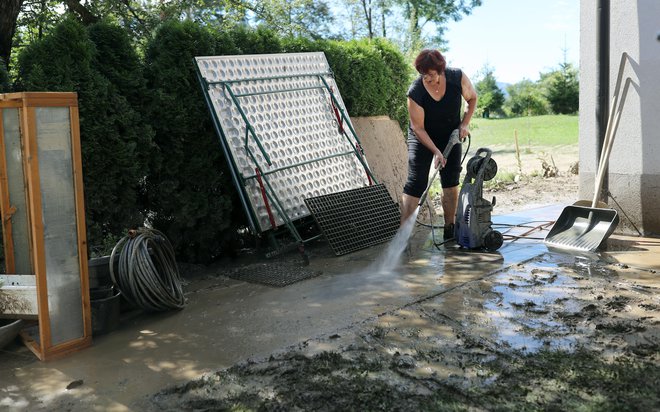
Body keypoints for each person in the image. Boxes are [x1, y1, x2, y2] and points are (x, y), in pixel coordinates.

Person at [401, 49, 478, 239]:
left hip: (450, 136)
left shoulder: (456, 77)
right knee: (416, 182)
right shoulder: (416, 91)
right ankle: (403, 234)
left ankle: (450, 229)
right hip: (422, 137)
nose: (427, 78)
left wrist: (464, 124)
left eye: (431, 74)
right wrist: (435, 151)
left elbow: (472, 98)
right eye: (423, 74)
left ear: (440, 69)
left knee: (450, 182)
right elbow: (418, 128)